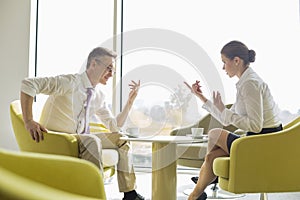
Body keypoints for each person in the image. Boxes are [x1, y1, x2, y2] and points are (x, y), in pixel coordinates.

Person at [20, 47, 144, 200]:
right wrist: (28, 120)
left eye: (113, 70)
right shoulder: (69, 83)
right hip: (57, 139)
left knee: (121, 138)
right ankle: (96, 196)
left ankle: (130, 194)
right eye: (109, 68)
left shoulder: (98, 95)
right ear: (93, 64)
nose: (112, 74)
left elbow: (114, 126)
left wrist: (130, 102)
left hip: (78, 138)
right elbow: (28, 84)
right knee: (92, 140)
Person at [184, 40, 282, 200]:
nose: (223, 68)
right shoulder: (246, 82)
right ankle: (201, 187)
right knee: (211, 158)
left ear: (236, 61)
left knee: (215, 133)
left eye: (224, 62)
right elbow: (226, 118)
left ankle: (202, 184)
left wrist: (224, 111)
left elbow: (255, 126)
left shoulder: (250, 84)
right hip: (259, 139)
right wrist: (201, 97)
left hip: (263, 142)